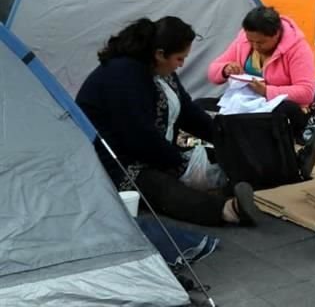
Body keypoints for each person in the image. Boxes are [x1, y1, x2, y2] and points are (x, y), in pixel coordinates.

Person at [77, 17, 262, 226]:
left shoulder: (161, 70)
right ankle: (228, 210)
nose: (181, 65)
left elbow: (188, 112)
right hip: (116, 161)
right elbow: (138, 136)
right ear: (160, 54)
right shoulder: (122, 75)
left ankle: (255, 180)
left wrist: (223, 137)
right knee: (161, 186)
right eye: (179, 59)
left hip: (156, 150)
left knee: (220, 157)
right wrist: (176, 162)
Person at [208, 6, 315, 179]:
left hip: (280, 106)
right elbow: (212, 71)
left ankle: (289, 162)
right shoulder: (244, 40)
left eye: (260, 43)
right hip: (246, 101)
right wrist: (225, 69)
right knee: (201, 106)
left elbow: (306, 92)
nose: (255, 46)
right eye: (251, 41)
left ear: (276, 34)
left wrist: (268, 91)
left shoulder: (297, 48)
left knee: (274, 115)